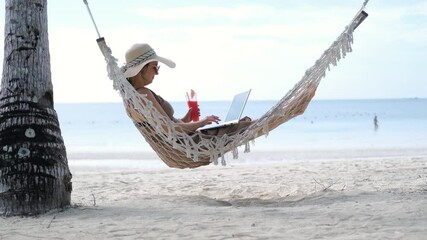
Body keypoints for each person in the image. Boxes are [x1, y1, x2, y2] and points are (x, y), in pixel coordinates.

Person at [121, 43, 252, 135]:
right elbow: (170, 129)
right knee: (247, 125)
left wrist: (186, 118)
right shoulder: (143, 94)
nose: (157, 73)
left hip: (183, 142)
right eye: (155, 67)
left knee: (240, 125)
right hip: (187, 142)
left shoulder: (135, 96)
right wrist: (202, 123)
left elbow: (166, 125)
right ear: (142, 68)